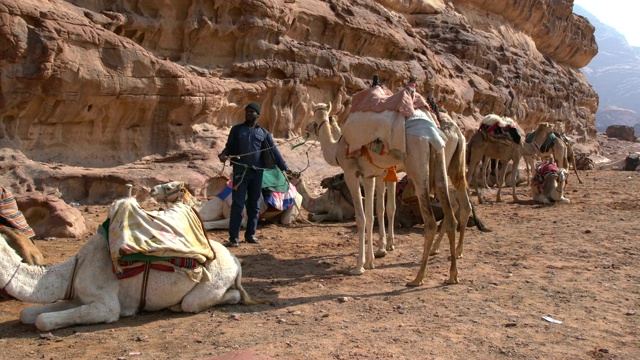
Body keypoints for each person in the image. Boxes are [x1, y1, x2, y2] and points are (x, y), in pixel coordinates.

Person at [218, 102, 291, 247]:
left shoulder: (264, 133)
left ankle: (250, 235)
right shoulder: (237, 130)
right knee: (238, 205)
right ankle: (234, 238)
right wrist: (223, 155)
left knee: (254, 205)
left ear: (258, 115)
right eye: (247, 111)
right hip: (241, 173)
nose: (249, 114)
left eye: (252, 112)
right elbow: (229, 147)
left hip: (257, 173)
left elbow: (274, 152)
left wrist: (285, 168)